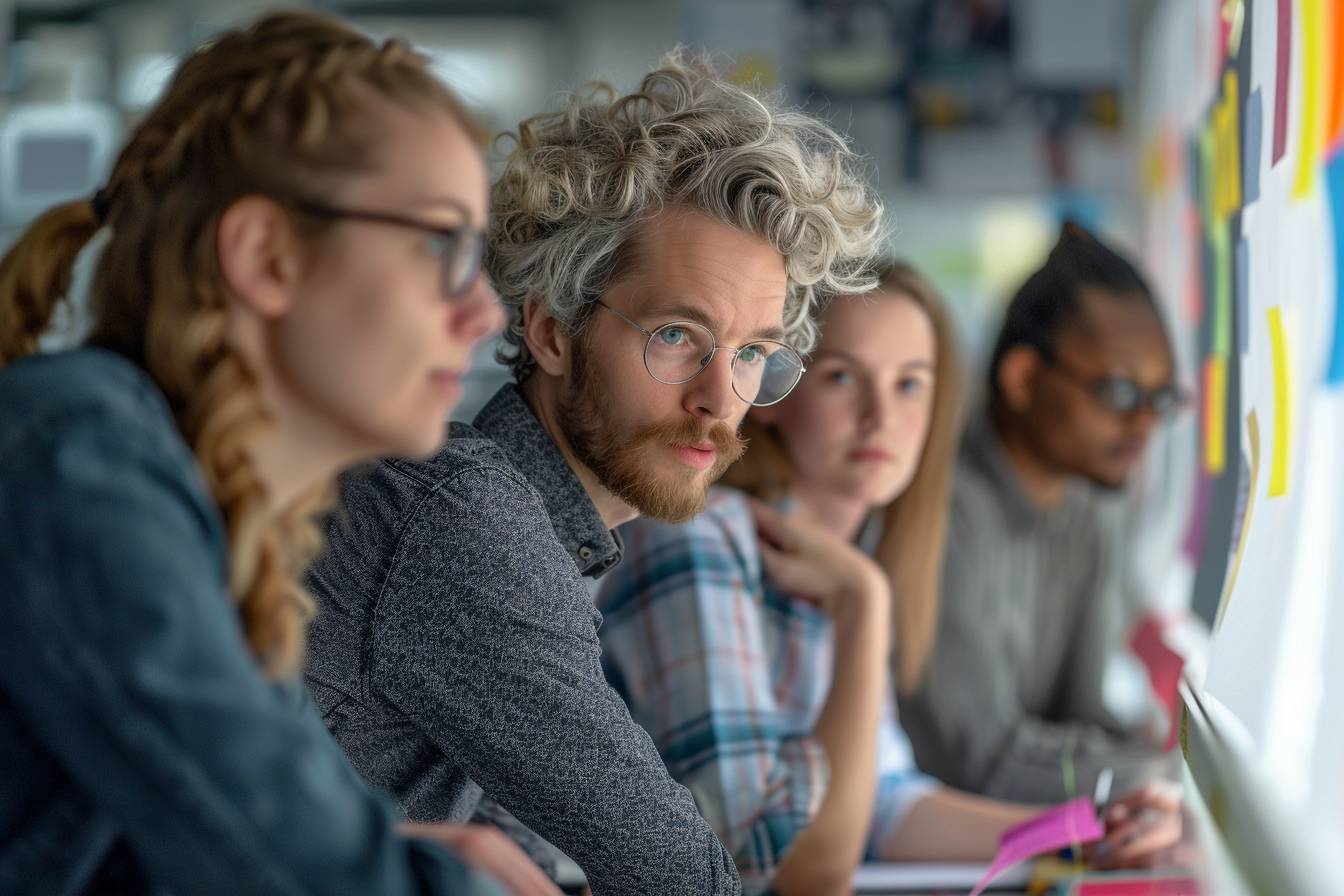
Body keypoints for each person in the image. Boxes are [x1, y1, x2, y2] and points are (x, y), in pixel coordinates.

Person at [0, 12, 559, 896]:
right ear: (266, 255)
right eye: (441, 245)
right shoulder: (77, 464)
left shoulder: (214, 521)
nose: (486, 315)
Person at [302, 52, 884, 895]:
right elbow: (681, 879)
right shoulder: (468, 519)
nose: (722, 399)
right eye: (677, 336)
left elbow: (525, 849)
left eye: (754, 353)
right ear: (550, 332)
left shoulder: (523, 529)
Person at [595, 262, 1182, 896]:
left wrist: (1089, 833)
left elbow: (886, 805)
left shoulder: (849, 557)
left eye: (910, 385)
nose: (881, 416)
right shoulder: (702, 538)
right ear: (773, 387)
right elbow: (777, 865)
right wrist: (866, 611)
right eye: (843, 377)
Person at [898, 223, 1181, 803]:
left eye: (1163, 398)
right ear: (1023, 377)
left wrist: (1151, 763)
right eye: (1122, 392)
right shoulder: (944, 506)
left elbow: (1079, 713)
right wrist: (1159, 779)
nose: (1146, 424)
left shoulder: (1091, 506)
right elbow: (980, 759)